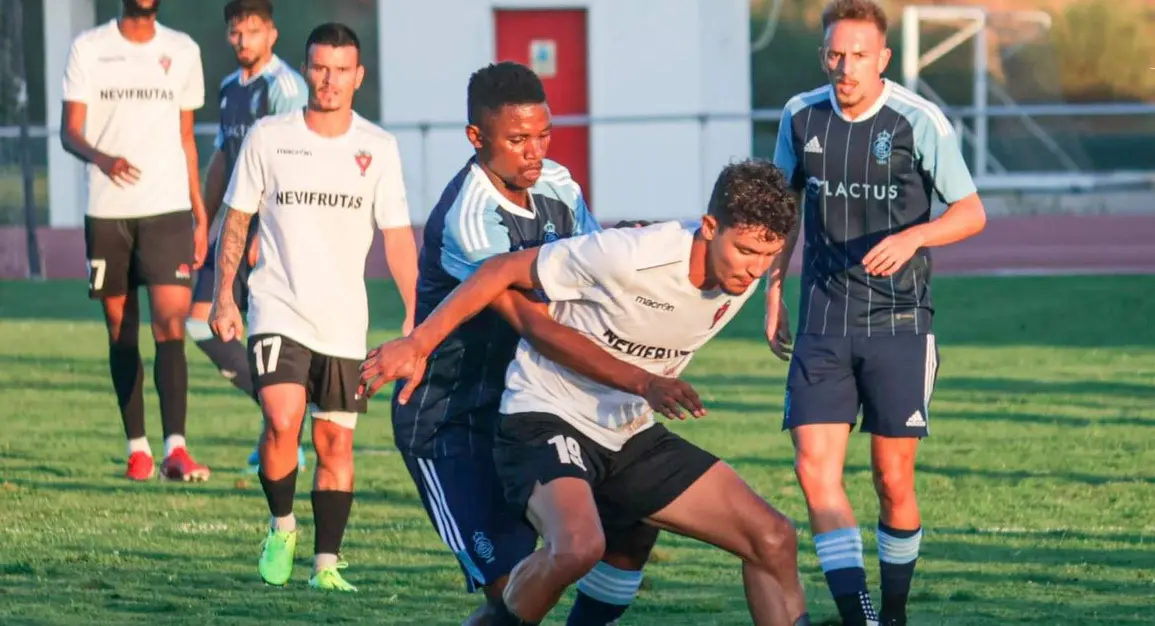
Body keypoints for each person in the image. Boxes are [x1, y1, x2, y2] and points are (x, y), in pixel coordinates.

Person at [362, 159, 812, 626]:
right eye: (744, 251)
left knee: (773, 537)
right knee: (579, 546)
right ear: (709, 226)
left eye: (769, 255)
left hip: (628, 430)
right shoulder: (632, 254)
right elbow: (498, 270)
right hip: (544, 416)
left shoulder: (742, 274)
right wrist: (418, 343)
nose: (755, 270)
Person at [390, 61, 683, 625]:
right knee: (512, 594)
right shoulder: (468, 219)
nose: (535, 151)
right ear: (477, 138)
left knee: (631, 523)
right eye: (518, 139)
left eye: (544, 135)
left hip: (527, 407)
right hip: (451, 422)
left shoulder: (559, 184)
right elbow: (537, 323)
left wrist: (631, 246)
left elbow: (598, 265)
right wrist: (640, 379)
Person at [764, 1, 988, 623]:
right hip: (822, 321)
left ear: (883, 59)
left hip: (899, 324)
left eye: (859, 55)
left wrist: (915, 236)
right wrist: (775, 291)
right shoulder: (800, 116)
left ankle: (893, 612)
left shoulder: (920, 121)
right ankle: (860, 614)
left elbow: (971, 213)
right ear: (823, 57)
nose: (846, 66)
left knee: (892, 480)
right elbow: (782, 214)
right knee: (815, 472)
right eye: (836, 54)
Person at [209, 22, 418, 592]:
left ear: (359, 76)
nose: (329, 80)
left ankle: (326, 565)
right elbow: (238, 217)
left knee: (335, 443)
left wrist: (413, 313)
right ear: (306, 69)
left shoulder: (378, 148)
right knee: (281, 420)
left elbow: (397, 236)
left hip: (344, 321)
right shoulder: (269, 136)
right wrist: (224, 292)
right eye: (320, 68)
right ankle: (282, 525)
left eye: (341, 70)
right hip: (277, 306)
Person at [60, 0, 210, 482]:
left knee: (170, 324)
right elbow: (70, 131)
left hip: (167, 210)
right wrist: (101, 158)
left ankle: (176, 449)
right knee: (120, 330)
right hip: (108, 213)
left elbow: (187, 138)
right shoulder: (89, 48)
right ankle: (138, 448)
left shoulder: (183, 50)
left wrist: (199, 209)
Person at [185, 0, 309, 475]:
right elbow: (222, 160)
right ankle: (282, 418)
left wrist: (268, 228)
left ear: (271, 34)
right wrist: (205, 224)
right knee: (202, 324)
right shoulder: (228, 89)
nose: (243, 40)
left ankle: (285, 436)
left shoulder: (284, 88)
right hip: (232, 232)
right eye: (236, 32)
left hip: (269, 232)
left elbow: (293, 163)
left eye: (253, 31)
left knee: (269, 337)